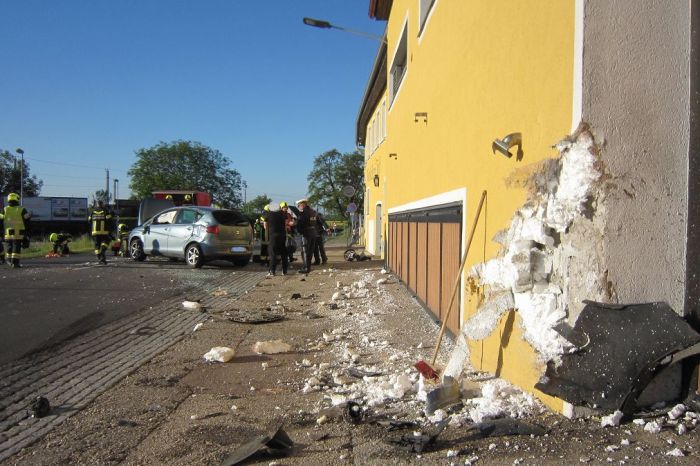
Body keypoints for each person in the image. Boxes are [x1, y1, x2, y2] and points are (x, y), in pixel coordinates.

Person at [1, 193, 31, 268]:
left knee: (9, 247)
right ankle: (15, 263)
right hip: (18, 233)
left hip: (7, 233)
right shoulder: (21, 209)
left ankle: (9, 260)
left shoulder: (5, 209)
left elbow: (0, 219)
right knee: (16, 247)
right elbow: (27, 219)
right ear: (17, 199)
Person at [288, 199, 319, 274]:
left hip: (306, 233)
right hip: (313, 233)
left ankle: (306, 267)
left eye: (299, 205)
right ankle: (307, 266)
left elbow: (301, 223)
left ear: (302, 204)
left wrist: (294, 224)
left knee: (305, 251)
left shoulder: (305, 212)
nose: (299, 207)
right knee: (310, 251)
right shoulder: (312, 211)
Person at [262, 204, 288, 276]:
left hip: (273, 236)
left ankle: (272, 271)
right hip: (282, 235)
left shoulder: (268, 214)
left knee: (272, 253)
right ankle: (284, 271)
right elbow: (285, 225)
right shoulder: (283, 214)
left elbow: (265, 226)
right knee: (283, 252)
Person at [88, 200, 114, 264]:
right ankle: (102, 252)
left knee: (97, 245)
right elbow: (109, 219)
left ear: (97, 205)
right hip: (104, 231)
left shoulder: (92, 211)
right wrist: (111, 215)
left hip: (95, 231)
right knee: (106, 241)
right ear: (102, 204)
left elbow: (89, 220)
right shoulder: (105, 211)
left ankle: (99, 257)